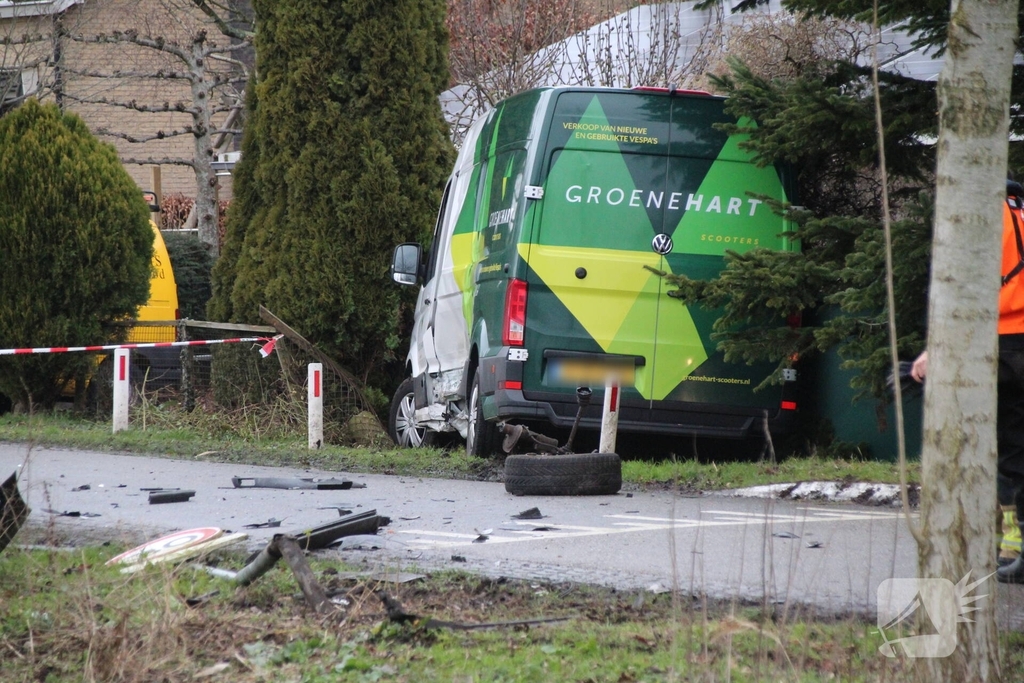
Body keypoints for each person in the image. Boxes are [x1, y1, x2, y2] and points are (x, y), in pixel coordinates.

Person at [912, 179, 1024, 582]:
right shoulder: (1021, 217)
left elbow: (961, 288)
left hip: (995, 343)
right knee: (1017, 443)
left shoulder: (982, 219)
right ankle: (1012, 542)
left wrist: (935, 349)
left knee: (982, 442)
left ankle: (992, 539)